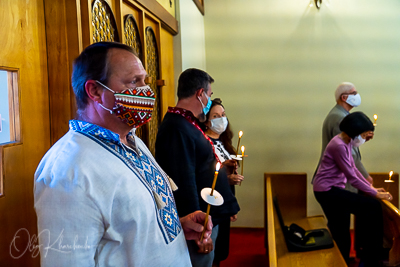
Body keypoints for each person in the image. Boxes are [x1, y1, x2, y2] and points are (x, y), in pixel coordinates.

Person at [34, 42, 212, 267]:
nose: (146, 91)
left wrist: (177, 225)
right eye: (134, 81)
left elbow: (127, 225)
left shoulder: (132, 140)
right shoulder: (67, 170)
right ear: (95, 91)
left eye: (144, 81)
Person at [155, 68, 240, 267]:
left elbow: (197, 164)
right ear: (200, 94)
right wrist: (198, 230)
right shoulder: (176, 127)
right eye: (209, 96)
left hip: (209, 215)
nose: (210, 101)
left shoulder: (187, 123)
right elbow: (183, 179)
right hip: (198, 221)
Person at [313, 112, 392, 266]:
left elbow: (353, 169)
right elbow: (352, 177)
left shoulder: (345, 142)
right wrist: (375, 194)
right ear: (355, 131)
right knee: (372, 207)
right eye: (363, 134)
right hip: (327, 191)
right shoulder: (339, 145)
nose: (364, 138)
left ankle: (343, 261)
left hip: (330, 190)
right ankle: (370, 260)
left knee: (341, 230)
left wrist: (371, 188)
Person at [200, 98, 244, 267]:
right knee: (212, 251)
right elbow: (206, 177)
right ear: (206, 120)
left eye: (223, 115)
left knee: (221, 248)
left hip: (226, 199)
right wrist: (226, 178)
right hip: (212, 204)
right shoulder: (204, 142)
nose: (221, 119)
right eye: (216, 115)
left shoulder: (223, 142)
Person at [313, 82, 374, 188]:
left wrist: (363, 138)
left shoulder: (341, 114)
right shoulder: (339, 117)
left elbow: (348, 144)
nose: (357, 96)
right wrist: (365, 176)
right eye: (354, 93)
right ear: (344, 97)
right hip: (337, 180)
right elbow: (348, 152)